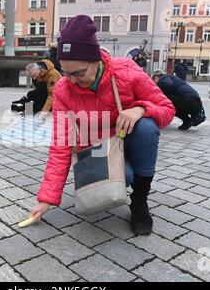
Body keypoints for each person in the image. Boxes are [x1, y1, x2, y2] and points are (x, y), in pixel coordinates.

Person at [29, 15, 175, 236]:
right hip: (97, 151)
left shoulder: (125, 70)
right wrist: (46, 198)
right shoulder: (63, 89)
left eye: (79, 73)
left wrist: (141, 109)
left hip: (128, 140)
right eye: (67, 73)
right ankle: (128, 175)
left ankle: (139, 201)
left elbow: (167, 110)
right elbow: (61, 145)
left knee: (146, 127)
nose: (73, 81)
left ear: (96, 59)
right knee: (125, 176)